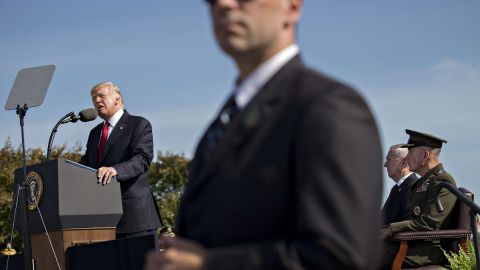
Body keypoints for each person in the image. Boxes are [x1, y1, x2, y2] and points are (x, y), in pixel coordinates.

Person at [146, 0, 383, 269]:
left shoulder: (326, 107)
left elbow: (343, 256)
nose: (223, 4)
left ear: (292, 8)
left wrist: (208, 265)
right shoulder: (224, 121)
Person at [80, 82, 163, 239]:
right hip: (103, 220)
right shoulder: (94, 133)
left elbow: (142, 160)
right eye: (93, 99)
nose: (96, 101)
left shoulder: (138, 124)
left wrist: (115, 170)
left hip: (135, 218)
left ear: (117, 99)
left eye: (101, 96)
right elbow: (86, 165)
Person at [381, 129, 457, 269]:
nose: (407, 157)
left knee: (363, 252)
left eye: (411, 152)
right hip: (409, 245)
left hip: (424, 251)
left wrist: (390, 229)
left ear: (425, 155)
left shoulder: (443, 181)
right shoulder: (422, 182)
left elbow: (428, 224)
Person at [381, 144, 418, 225]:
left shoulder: (414, 187)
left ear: (404, 162)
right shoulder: (397, 188)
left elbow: (408, 224)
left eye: (389, 160)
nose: (385, 164)